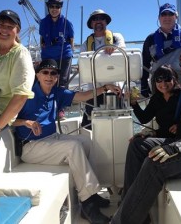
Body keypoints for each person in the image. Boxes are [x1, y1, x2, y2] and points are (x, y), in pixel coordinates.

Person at [13, 59, 122, 224]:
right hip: (30, 147)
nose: (49, 76)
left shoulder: (56, 93)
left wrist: (105, 87)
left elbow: (82, 96)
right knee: (73, 147)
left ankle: (91, 193)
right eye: (45, 72)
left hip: (50, 139)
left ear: (57, 77)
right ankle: (88, 204)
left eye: (53, 73)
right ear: (37, 74)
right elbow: (9, 119)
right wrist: (25, 122)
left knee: (86, 142)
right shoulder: (26, 94)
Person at [111, 48, 181, 224]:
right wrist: (154, 133)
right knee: (138, 145)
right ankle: (130, 206)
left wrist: (176, 146)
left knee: (155, 162)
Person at [122, 65, 181, 202]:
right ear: (154, 82)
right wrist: (134, 103)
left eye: (167, 79)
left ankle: (130, 199)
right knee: (136, 142)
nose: (163, 84)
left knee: (138, 148)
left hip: (178, 141)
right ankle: (129, 197)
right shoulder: (157, 98)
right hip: (162, 138)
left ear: (174, 79)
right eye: (159, 80)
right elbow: (144, 118)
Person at [0, 10, 35, 154]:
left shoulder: (21, 54)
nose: (4, 30)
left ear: (17, 31)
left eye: (9, 26)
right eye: (0, 25)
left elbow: (20, 97)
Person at [141, 3, 181, 98]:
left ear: (176, 17)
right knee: (161, 112)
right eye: (163, 14)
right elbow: (145, 64)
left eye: (170, 14)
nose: (167, 17)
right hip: (160, 85)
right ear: (159, 18)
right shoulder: (150, 39)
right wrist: (143, 85)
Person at [80, 9, 125, 128]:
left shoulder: (117, 38)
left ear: (106, 22)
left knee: (118, 124)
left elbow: (122, 53)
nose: (98, 21)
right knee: (88, 125)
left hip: (115, 89)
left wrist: (114, 49)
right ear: (91, 24)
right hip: (94, 90)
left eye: (101, 18)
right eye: (95, 19)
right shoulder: (85, 44)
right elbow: (83, 64)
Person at [39, 0, 74, 88]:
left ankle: (63, 102)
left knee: (62, 82)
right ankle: (49, 102)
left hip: (64, 56)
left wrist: (71, 54)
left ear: (60, 8)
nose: (54, 9)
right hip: (48, 57)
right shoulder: (43, 23)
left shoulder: (67, 23)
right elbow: (42, 39)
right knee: (48, 82)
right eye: (52, 6)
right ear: (48, 8)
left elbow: (71, 40)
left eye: (57, 7)